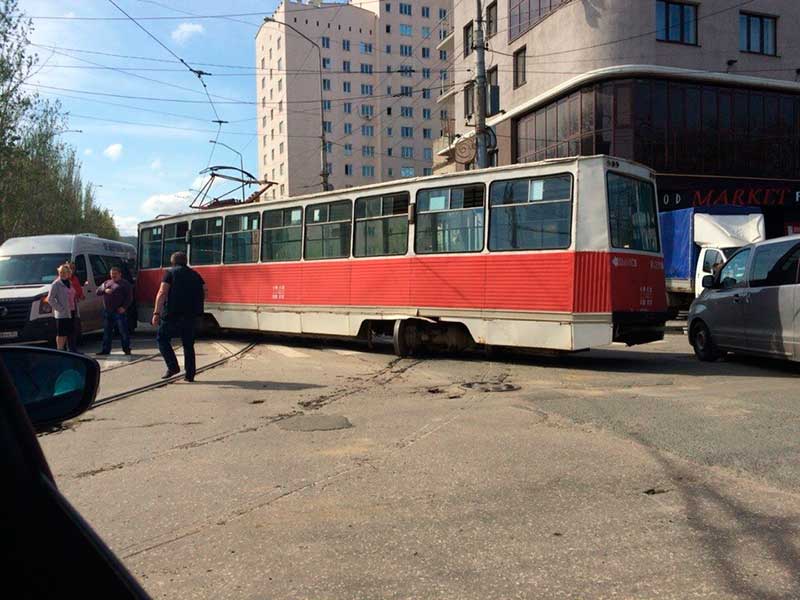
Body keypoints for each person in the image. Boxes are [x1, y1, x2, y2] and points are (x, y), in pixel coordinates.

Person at [153, 251, 206, 382]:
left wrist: (156, 313)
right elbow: (205, 291)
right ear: (186, 261)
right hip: (191, 315)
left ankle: (173, 367)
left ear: (172, 262)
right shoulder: (196, 275)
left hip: (172, 314)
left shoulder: (170, 273)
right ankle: (190, 374)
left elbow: (162, 292)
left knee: (162, 339)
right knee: (188, 344)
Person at [95, 266, 133, 356]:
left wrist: (124, 307)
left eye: (115, 274)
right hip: (108, 311)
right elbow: (97, 291)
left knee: (123, 331)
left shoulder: (125, 284)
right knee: (107, 332)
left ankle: (126, 349)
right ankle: (105, 350)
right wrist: (104, 290)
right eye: (112, 274)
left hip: (119, 311)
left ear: (120, 274)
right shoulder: (107, 283)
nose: (113, 275)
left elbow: (129, 297)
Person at [46, 264, 76, 351]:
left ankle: (71, 351)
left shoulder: (69, 283)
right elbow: (50, 299)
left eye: (64, 272)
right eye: (60, 272)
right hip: (62, 314)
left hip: (71, 311)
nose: (62, 274)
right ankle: (60, 350)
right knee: (61, 334)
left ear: (69, 273)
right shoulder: (56, 284)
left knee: (70, 332)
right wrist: (60, 309)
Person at [68, 261, 85, 353]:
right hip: (66, 308)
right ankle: (67, 349)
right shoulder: (61, 280)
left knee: (75, 326)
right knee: (68, 328)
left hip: (74, 305)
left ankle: (74, 348)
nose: (72, 270)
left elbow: (78, 290)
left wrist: (81, 295)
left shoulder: (75, 278)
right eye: (70, 268)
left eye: (73, 268)